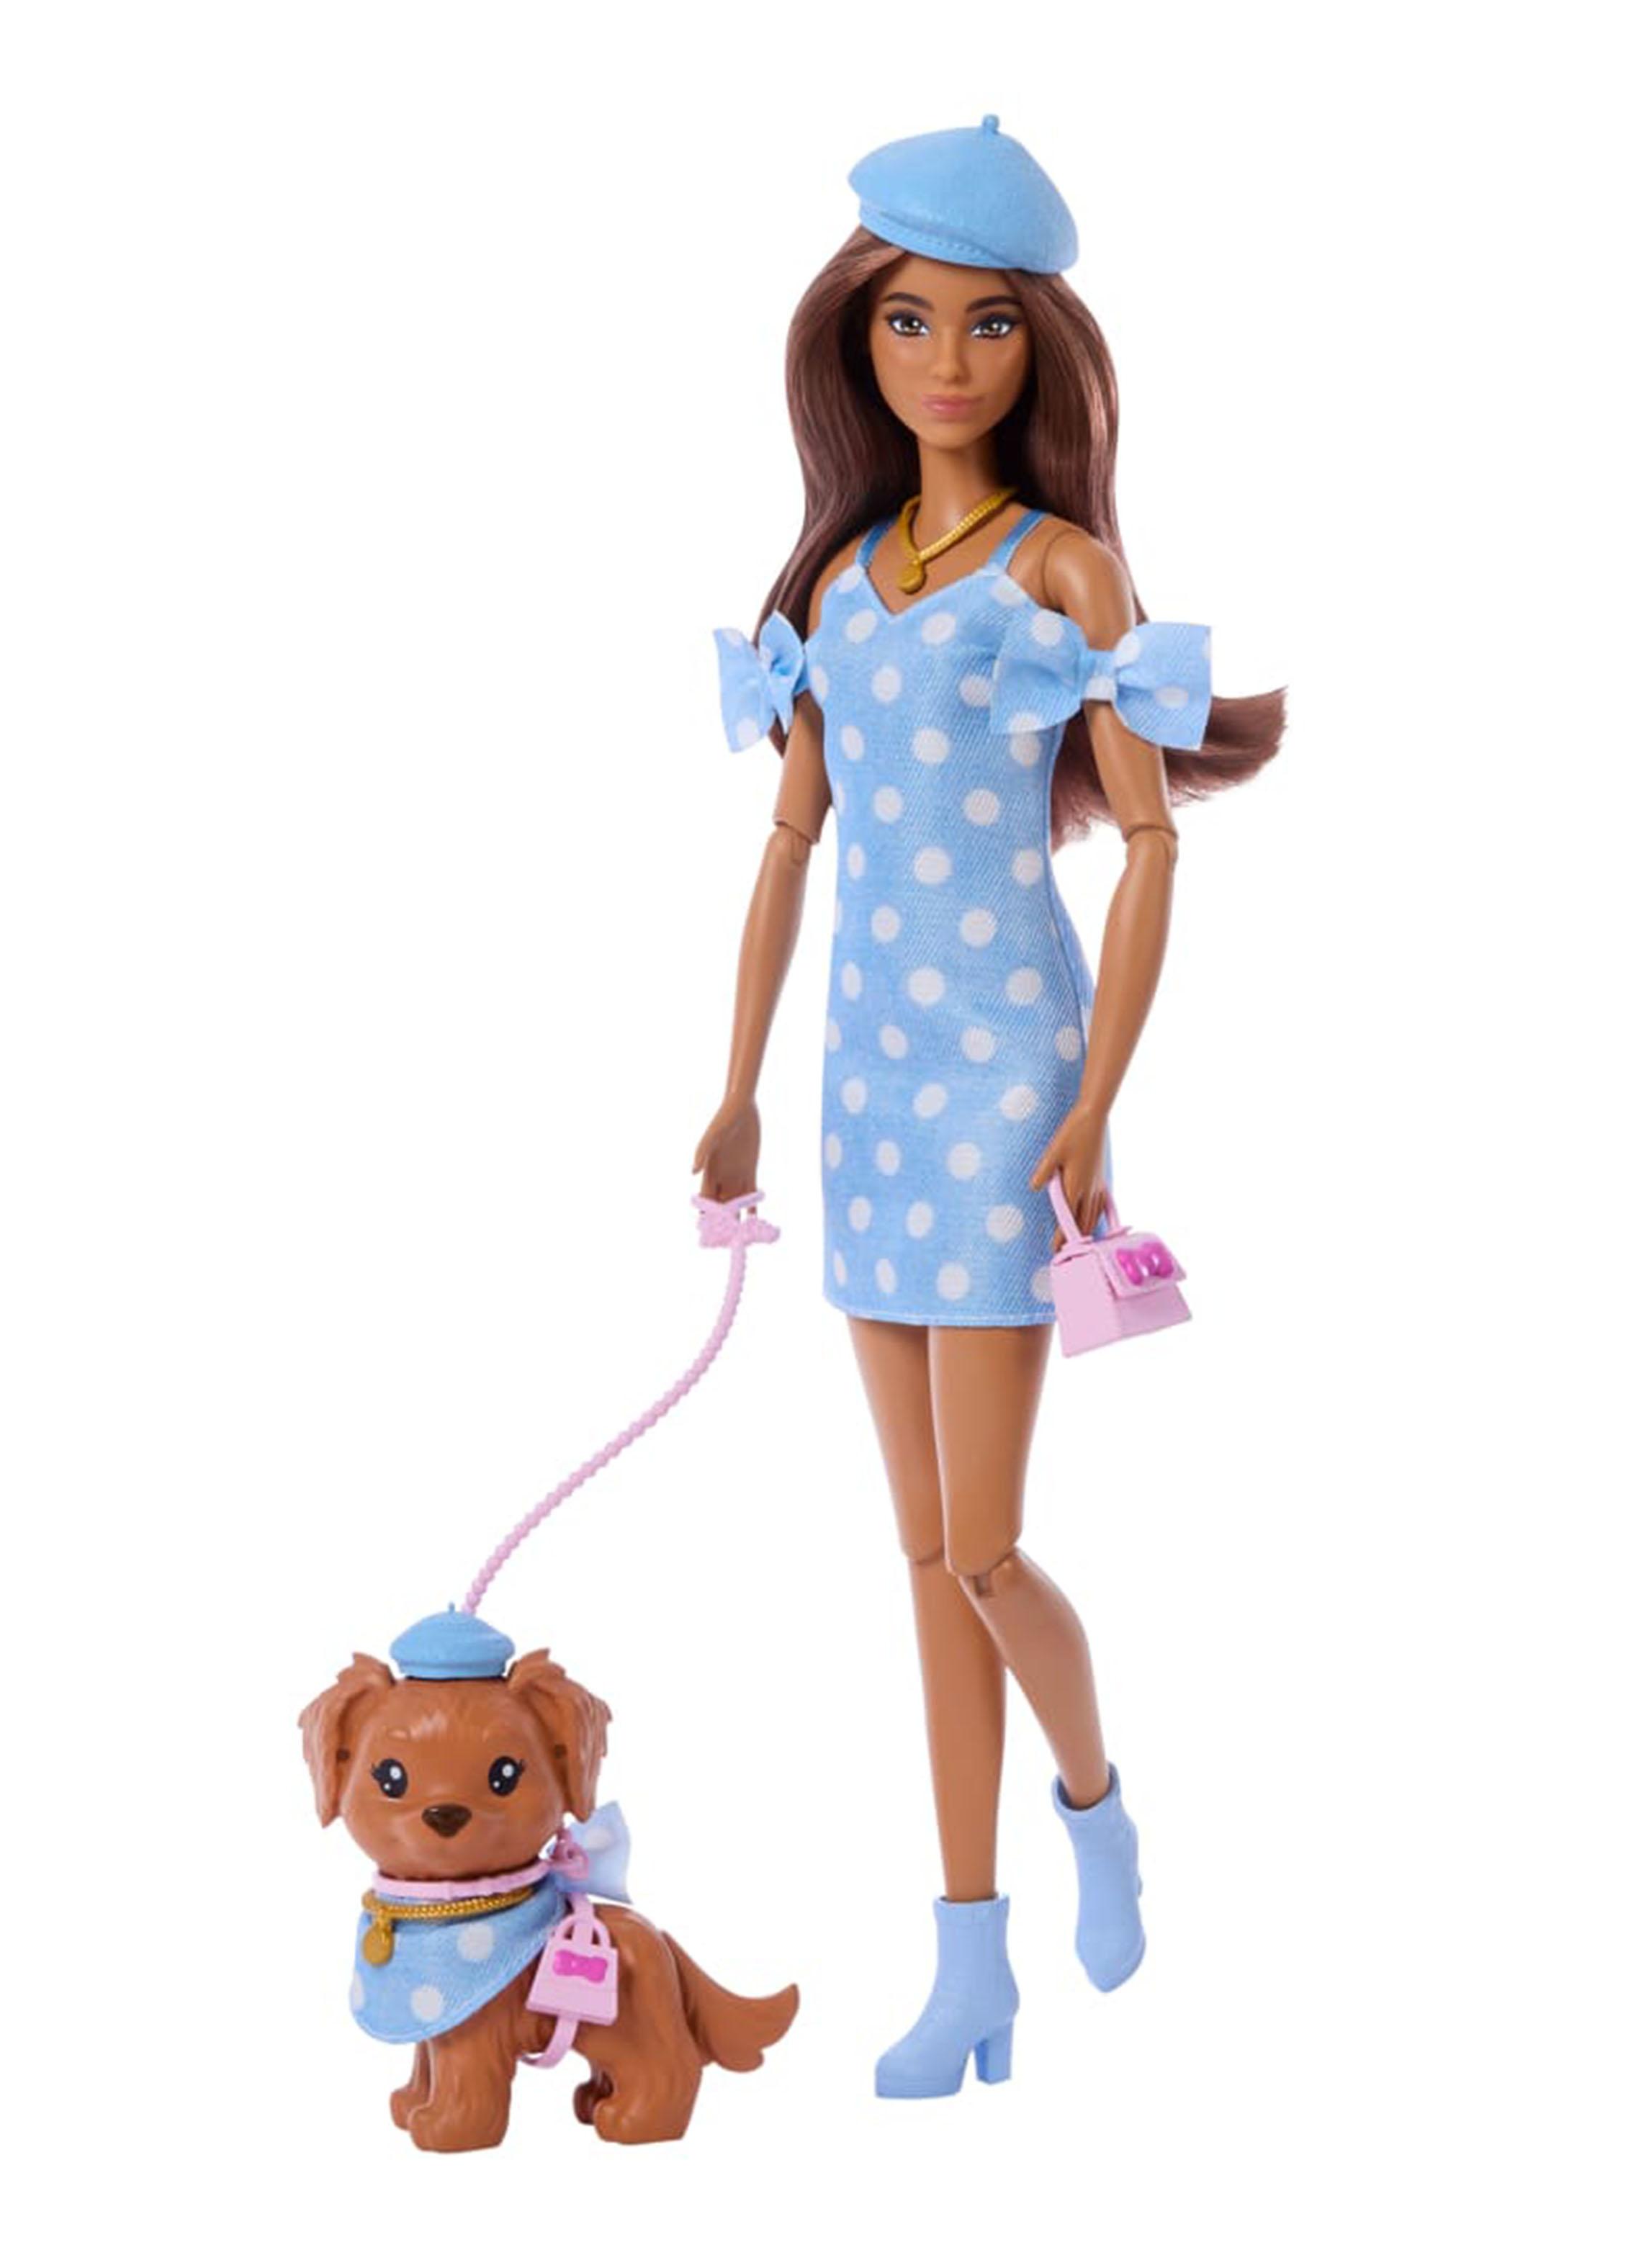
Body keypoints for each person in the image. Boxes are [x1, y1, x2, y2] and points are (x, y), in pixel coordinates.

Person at [694, 117, 1282, 2098]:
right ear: (853, 341)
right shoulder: (841, 584)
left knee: (985, 1548)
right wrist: (734, 1089)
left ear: (1040, 348)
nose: (946, 362)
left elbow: (1151, 848)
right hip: (861, 1089)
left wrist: (1095, 1101)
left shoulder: (1056, 569)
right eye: (909, 323)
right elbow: (789, 847)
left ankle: (1097, 1808)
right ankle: (971, 1968)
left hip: (1011, 1078)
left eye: (988, 326)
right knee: (920, 1564)